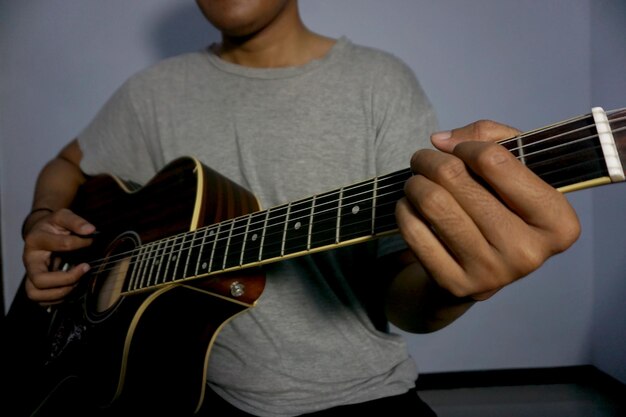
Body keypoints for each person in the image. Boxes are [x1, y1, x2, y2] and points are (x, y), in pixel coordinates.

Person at [14, 0, 580, 416]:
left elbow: (403, 297)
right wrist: (41, 221)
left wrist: (459, 285)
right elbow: (66, 166)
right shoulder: (153, 91)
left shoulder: (379, 82)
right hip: (187, 393)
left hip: (358, 397)